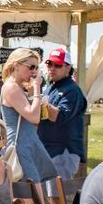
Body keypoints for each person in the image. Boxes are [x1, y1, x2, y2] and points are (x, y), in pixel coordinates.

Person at [0, 48, 58, 183]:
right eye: (31, 67)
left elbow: (35, 119)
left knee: (36, 189)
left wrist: (32, 93)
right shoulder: (11, 86)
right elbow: (33, 117)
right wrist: (37, 89)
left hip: (27, 140)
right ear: (16, 65)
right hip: (19, 143)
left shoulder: (19, 86)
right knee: (30, 190)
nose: (34, 71)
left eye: (37, 67)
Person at [37, 48, 87, 181]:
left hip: (63, 152)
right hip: (49, 151)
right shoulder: (51, 88)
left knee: (57, 198)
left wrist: (36, 96)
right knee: (49, 197)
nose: (52, 68)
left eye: (57, 65)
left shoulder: (72, 90)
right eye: (49, 64)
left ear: (67, 68)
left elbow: (59, 116)